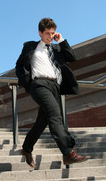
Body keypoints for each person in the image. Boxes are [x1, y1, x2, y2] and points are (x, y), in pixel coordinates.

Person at [15, 17, 90, 168]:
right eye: (47, 33)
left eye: (53, 33)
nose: (50, 36)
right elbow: (19, 65)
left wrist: (61, 40)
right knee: (56, 115)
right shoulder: (31, 47)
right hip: (39, 84)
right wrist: (28, 84)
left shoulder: (56, 50)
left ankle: (26, 149)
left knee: (42, 122)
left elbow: (72, 58)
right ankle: (68, 153)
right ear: (40, 33)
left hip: (55, 87)